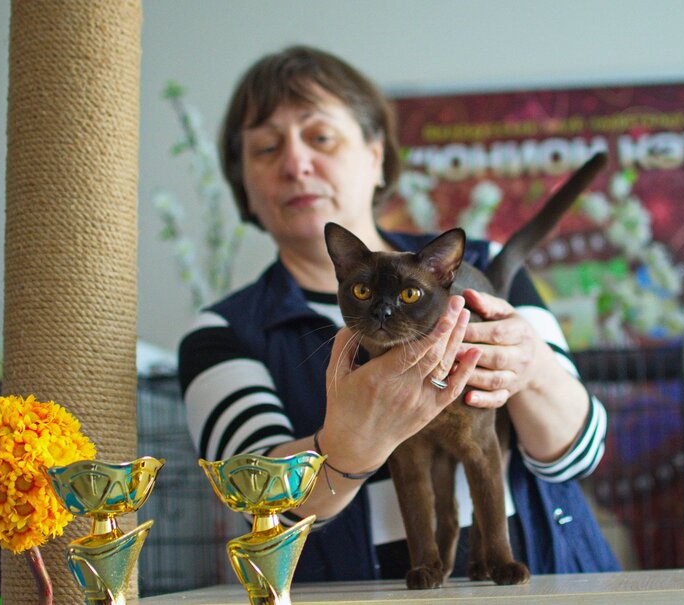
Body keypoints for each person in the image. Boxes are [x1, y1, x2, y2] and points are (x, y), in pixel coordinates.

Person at [178, 45, 619, 582]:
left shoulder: (478, 268)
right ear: (242, 183)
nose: (296, 164)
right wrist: (342, 448)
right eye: (267, 148)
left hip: (551, 582)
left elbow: (582, 454)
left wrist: (533, 367)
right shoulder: (223, 333)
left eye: (321, 137)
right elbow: (255, 504)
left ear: (375, 156)